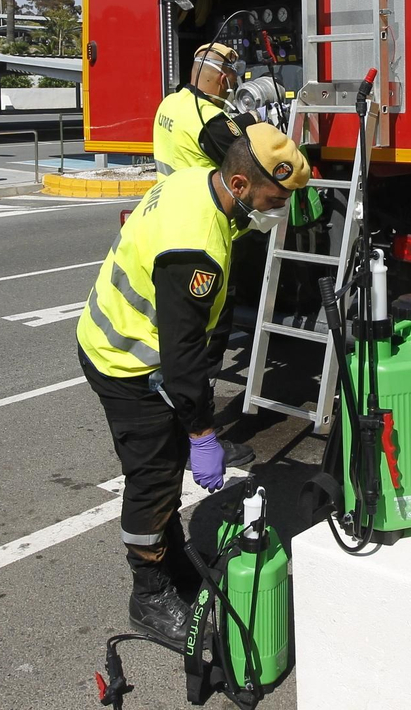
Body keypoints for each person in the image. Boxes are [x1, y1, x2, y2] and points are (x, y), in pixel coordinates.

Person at [77, 123, 310, 643]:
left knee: (161, 468)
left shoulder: (197, 181)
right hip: (127, 361)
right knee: (153, 478)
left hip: (122, 341)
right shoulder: (197, 247)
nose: (280, 209)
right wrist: (203, 436)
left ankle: (170, 552)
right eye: (277, 198)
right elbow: (183, 361)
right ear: (243, 186)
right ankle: (149, 595)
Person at [152, 42, 252, 179]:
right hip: (199, 199)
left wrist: (250, 118)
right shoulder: (210, 120)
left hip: (167, 195)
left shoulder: (168, 102)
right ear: (223, 81)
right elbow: (249, 167)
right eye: (233, 85)